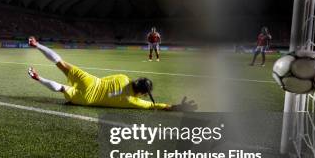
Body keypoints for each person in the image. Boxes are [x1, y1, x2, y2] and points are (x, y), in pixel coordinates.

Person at [27, 36, 197, 111]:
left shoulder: (123, 77)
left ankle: (37, 45)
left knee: (61, 63)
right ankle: (38, 78)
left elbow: (103, 80)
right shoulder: (133, 102)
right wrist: (174, 107)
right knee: (63, 89)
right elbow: (155, 106)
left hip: (91, 82)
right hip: (87, 100)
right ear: (143, 93)